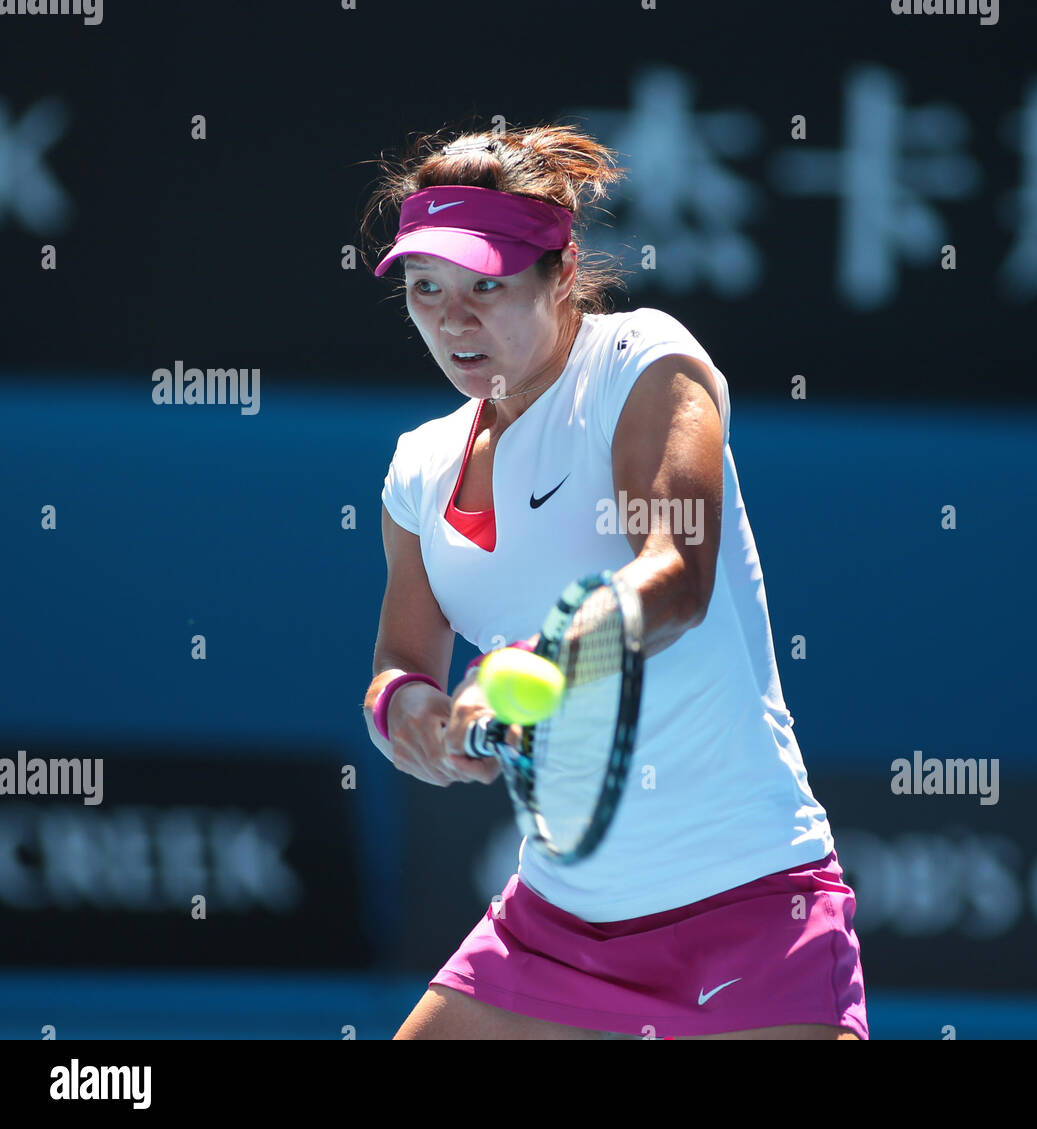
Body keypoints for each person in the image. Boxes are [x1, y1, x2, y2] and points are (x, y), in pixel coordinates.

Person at [359, 124, 868, 1040]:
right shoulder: (417, 470)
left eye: (487, 286)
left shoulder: (642, 362)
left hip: (749, 908)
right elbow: (400, 663)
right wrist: (418, 721)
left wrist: (539, 660)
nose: (453, 318)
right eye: (426, 289)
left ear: (560, 275)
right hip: (555, 927)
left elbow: (675, 578)